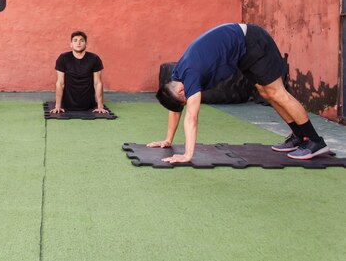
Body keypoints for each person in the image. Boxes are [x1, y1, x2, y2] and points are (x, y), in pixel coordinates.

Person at [149, 23, 329, 163]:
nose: (188, 100)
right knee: (266, 93)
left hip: (253, 41)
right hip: (241, 51)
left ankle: (314, 141)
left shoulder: (191, 75)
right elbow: (176, 107)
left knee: (277, 92)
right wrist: (168, 139)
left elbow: (191, 117)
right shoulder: (176, 78)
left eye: (185, 99)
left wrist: (187, 155)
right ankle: (299, 136)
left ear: (181, 89)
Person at [50, 30, 108, 114]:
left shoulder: (94, 59)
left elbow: (98, 83)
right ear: (71, 44)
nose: (78, 43)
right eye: (75, 40)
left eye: (82, 40)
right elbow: (60, 83)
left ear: (86, 44)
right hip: (67, 104)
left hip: (89, 104)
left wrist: (100, 106)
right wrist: (58, 106)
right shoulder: (63, 58)